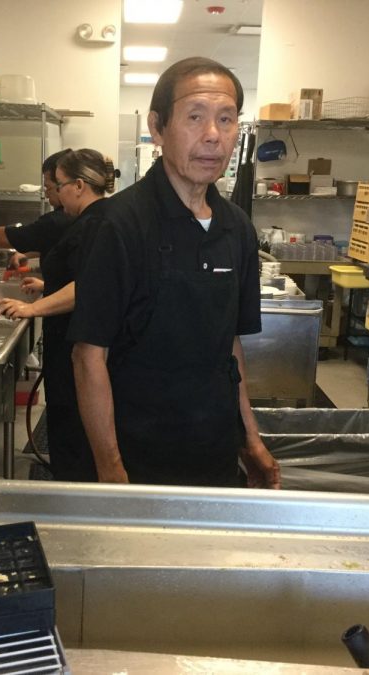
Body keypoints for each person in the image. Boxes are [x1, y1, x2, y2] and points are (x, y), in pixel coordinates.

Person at [68, 57, 281, 489]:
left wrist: (250, 440)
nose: (213, 135)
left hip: (215, 453)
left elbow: (230, 348)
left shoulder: (236, 227)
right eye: (196, 117)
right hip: (138, 457)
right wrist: (111, 471)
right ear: (159, 126)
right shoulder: (119, 224)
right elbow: (89, 357)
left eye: (226, 119)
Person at [0, 149, 117, 481]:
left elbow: (87, 287)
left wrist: (32, 308)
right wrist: (48, 285)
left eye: (59, 186)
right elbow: (84, 276)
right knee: (66, 421)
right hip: (68, 340)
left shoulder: (98, 223)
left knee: (75, 431)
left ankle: (73, 500)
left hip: (80, 343)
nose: (56, 195)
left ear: (79, 185)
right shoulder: (90, 220)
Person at [0, 149, 73, 296]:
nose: (46, 193)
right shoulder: (76, 216)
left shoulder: (59, 219)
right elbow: (54, 242)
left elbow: (5, 238)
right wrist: (26, 254)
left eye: (48, 187)